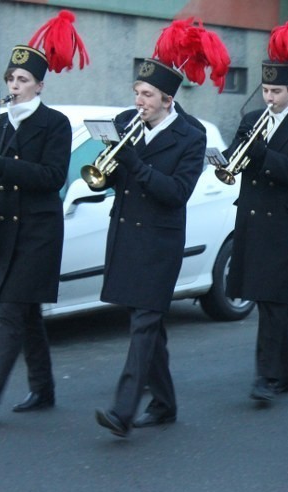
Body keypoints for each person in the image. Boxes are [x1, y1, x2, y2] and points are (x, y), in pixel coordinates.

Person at [0, 13, 87, 420]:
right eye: (11, 79)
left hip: (38, 232)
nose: (13, 87)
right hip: (5, 229)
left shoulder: (55, 123)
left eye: (22, 81)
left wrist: (2, 167)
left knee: (11, 311)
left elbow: (52, 178)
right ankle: (43, 389)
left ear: (39, 85)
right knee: (27, 314)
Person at [94, 58, 208, 437]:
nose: (140, 101)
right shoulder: (128, 122)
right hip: (126, 235)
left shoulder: (191, 137)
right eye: (137, 93)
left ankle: (122, 410)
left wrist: (136, 165)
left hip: (160, 239)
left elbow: (176, 193)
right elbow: (113, 179)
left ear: (168, 100)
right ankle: (164, 403)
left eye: (148, 95)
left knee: (144, 322)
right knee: (149, 322)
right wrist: (107, 170)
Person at [225, 58, 288, 404]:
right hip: (253, 219)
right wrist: (224, 159)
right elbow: (238, 156)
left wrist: (264, 155)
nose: (269, 97)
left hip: (285, 222)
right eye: (266, 91)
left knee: (273, 299)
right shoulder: (253, 119)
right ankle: (285, 374)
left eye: (276, 91)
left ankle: (266, 376)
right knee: (268, 300)